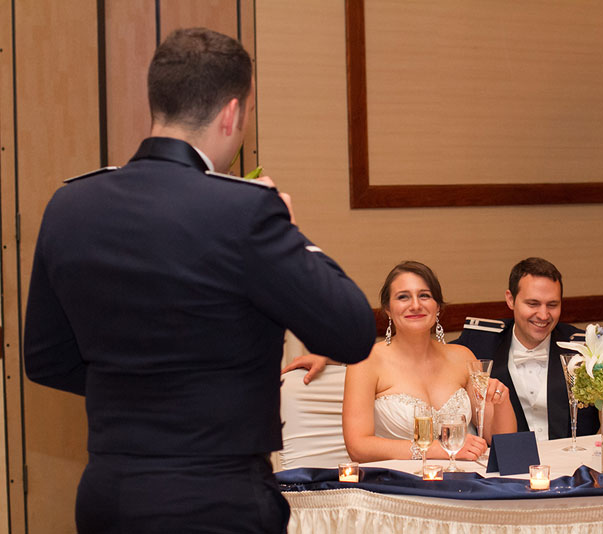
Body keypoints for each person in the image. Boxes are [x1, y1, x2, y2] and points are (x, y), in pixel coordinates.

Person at [23, 27, 375, 534]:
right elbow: (351, 330)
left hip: (109, 493)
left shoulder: (70, 206)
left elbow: (45, 359)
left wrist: (138, 393)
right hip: (217, 497)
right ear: (232, 112)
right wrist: (291, 231)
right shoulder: (244, 211)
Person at [342, 261, 516, 462]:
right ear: (388, 309)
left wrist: (501, 402)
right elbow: (358, 447)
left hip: (461, 479)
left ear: (438, 307)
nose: (415, 305)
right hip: (395, 481)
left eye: (424, 295)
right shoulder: (366, 361)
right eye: (403, 297)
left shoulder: (463, 357)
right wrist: (439, 450)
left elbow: (501, 440)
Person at [451, 257, 599, 440]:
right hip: (507, 465)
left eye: (552, 305)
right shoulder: (478, 344)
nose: (543, 315)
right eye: (533, 304)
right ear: (510, 300)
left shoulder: (583, 349)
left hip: (574, 463)